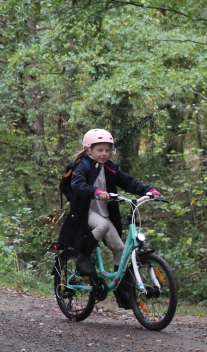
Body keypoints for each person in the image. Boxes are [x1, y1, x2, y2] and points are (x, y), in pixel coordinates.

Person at [57, 128, 161, 309]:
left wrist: (148, 190)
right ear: (89, 150)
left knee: (120, 249)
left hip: (104, 214)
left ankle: (121, 290)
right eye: (100, 150)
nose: (104, 153)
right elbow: (77, 184)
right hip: (85, 213)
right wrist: (96, 191)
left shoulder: (110, 168)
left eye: (107, 150)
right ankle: (83, 256)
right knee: (103, 225)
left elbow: (128, 181)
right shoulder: (83, 165)